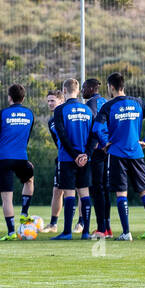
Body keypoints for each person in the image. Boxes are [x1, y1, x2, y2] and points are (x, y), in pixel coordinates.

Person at [91, 71, 145, 241]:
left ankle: (126, 233)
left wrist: (105, 142)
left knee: (121, 193)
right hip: (136, 153)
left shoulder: (108, 106)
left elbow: (96, 128)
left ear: (111, 87)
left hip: (117, 154)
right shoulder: (138, 102)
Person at [49, 78, 94, 240]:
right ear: (78, 91)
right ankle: (86, 232)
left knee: (69, 194)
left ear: (64, 91)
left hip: (68, 159)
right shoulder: (88, 110)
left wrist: (75, 156)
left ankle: (67, 232)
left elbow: (62, 135)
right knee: (84, 193)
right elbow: (93, 135)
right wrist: (85, 154)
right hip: (84, 159)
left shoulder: (60, 111)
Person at [0, 85, 37, 241]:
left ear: (9, 97)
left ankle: (11, 232)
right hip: (20, 157)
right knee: (29, 179)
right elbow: (27, 136)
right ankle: (24, 214)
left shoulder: (2, 114)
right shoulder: (30, 114)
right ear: (23, 98)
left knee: (7, 198)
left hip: (3, 158)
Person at [82, 78, 112, 237]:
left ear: (92, 88)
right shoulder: (106, 102)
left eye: (84, 88)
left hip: (98, 151)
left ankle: (101, 228)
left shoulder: (90, 105)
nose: (82, 91)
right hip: (109, 149)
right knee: (104, 189)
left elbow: (95, 127)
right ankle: (107, 227)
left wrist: (90, 149)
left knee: (97, 189)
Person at [42, 88, 65, 234]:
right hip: (62, 157)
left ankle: (81, 223)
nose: (50, 103)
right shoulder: (51, 121)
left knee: (81, 190)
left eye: (53, 100)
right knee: (57, 190)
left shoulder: (66, 114)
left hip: (77, 157)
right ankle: (53, 224)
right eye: (48, 101)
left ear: (61, 101)